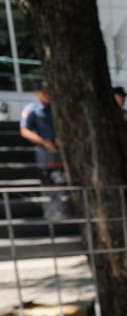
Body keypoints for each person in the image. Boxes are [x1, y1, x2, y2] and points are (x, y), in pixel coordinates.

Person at [20, 80, 68, 220]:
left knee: (63, 181)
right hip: (45, 151)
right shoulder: (32, 109)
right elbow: (25, 130)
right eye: (44, 92)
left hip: (62, 150)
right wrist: (44, 142)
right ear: (37, 93)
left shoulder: (59, 108)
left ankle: (65, 211)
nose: (48, 94)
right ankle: (53, 213)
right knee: (50, 181)